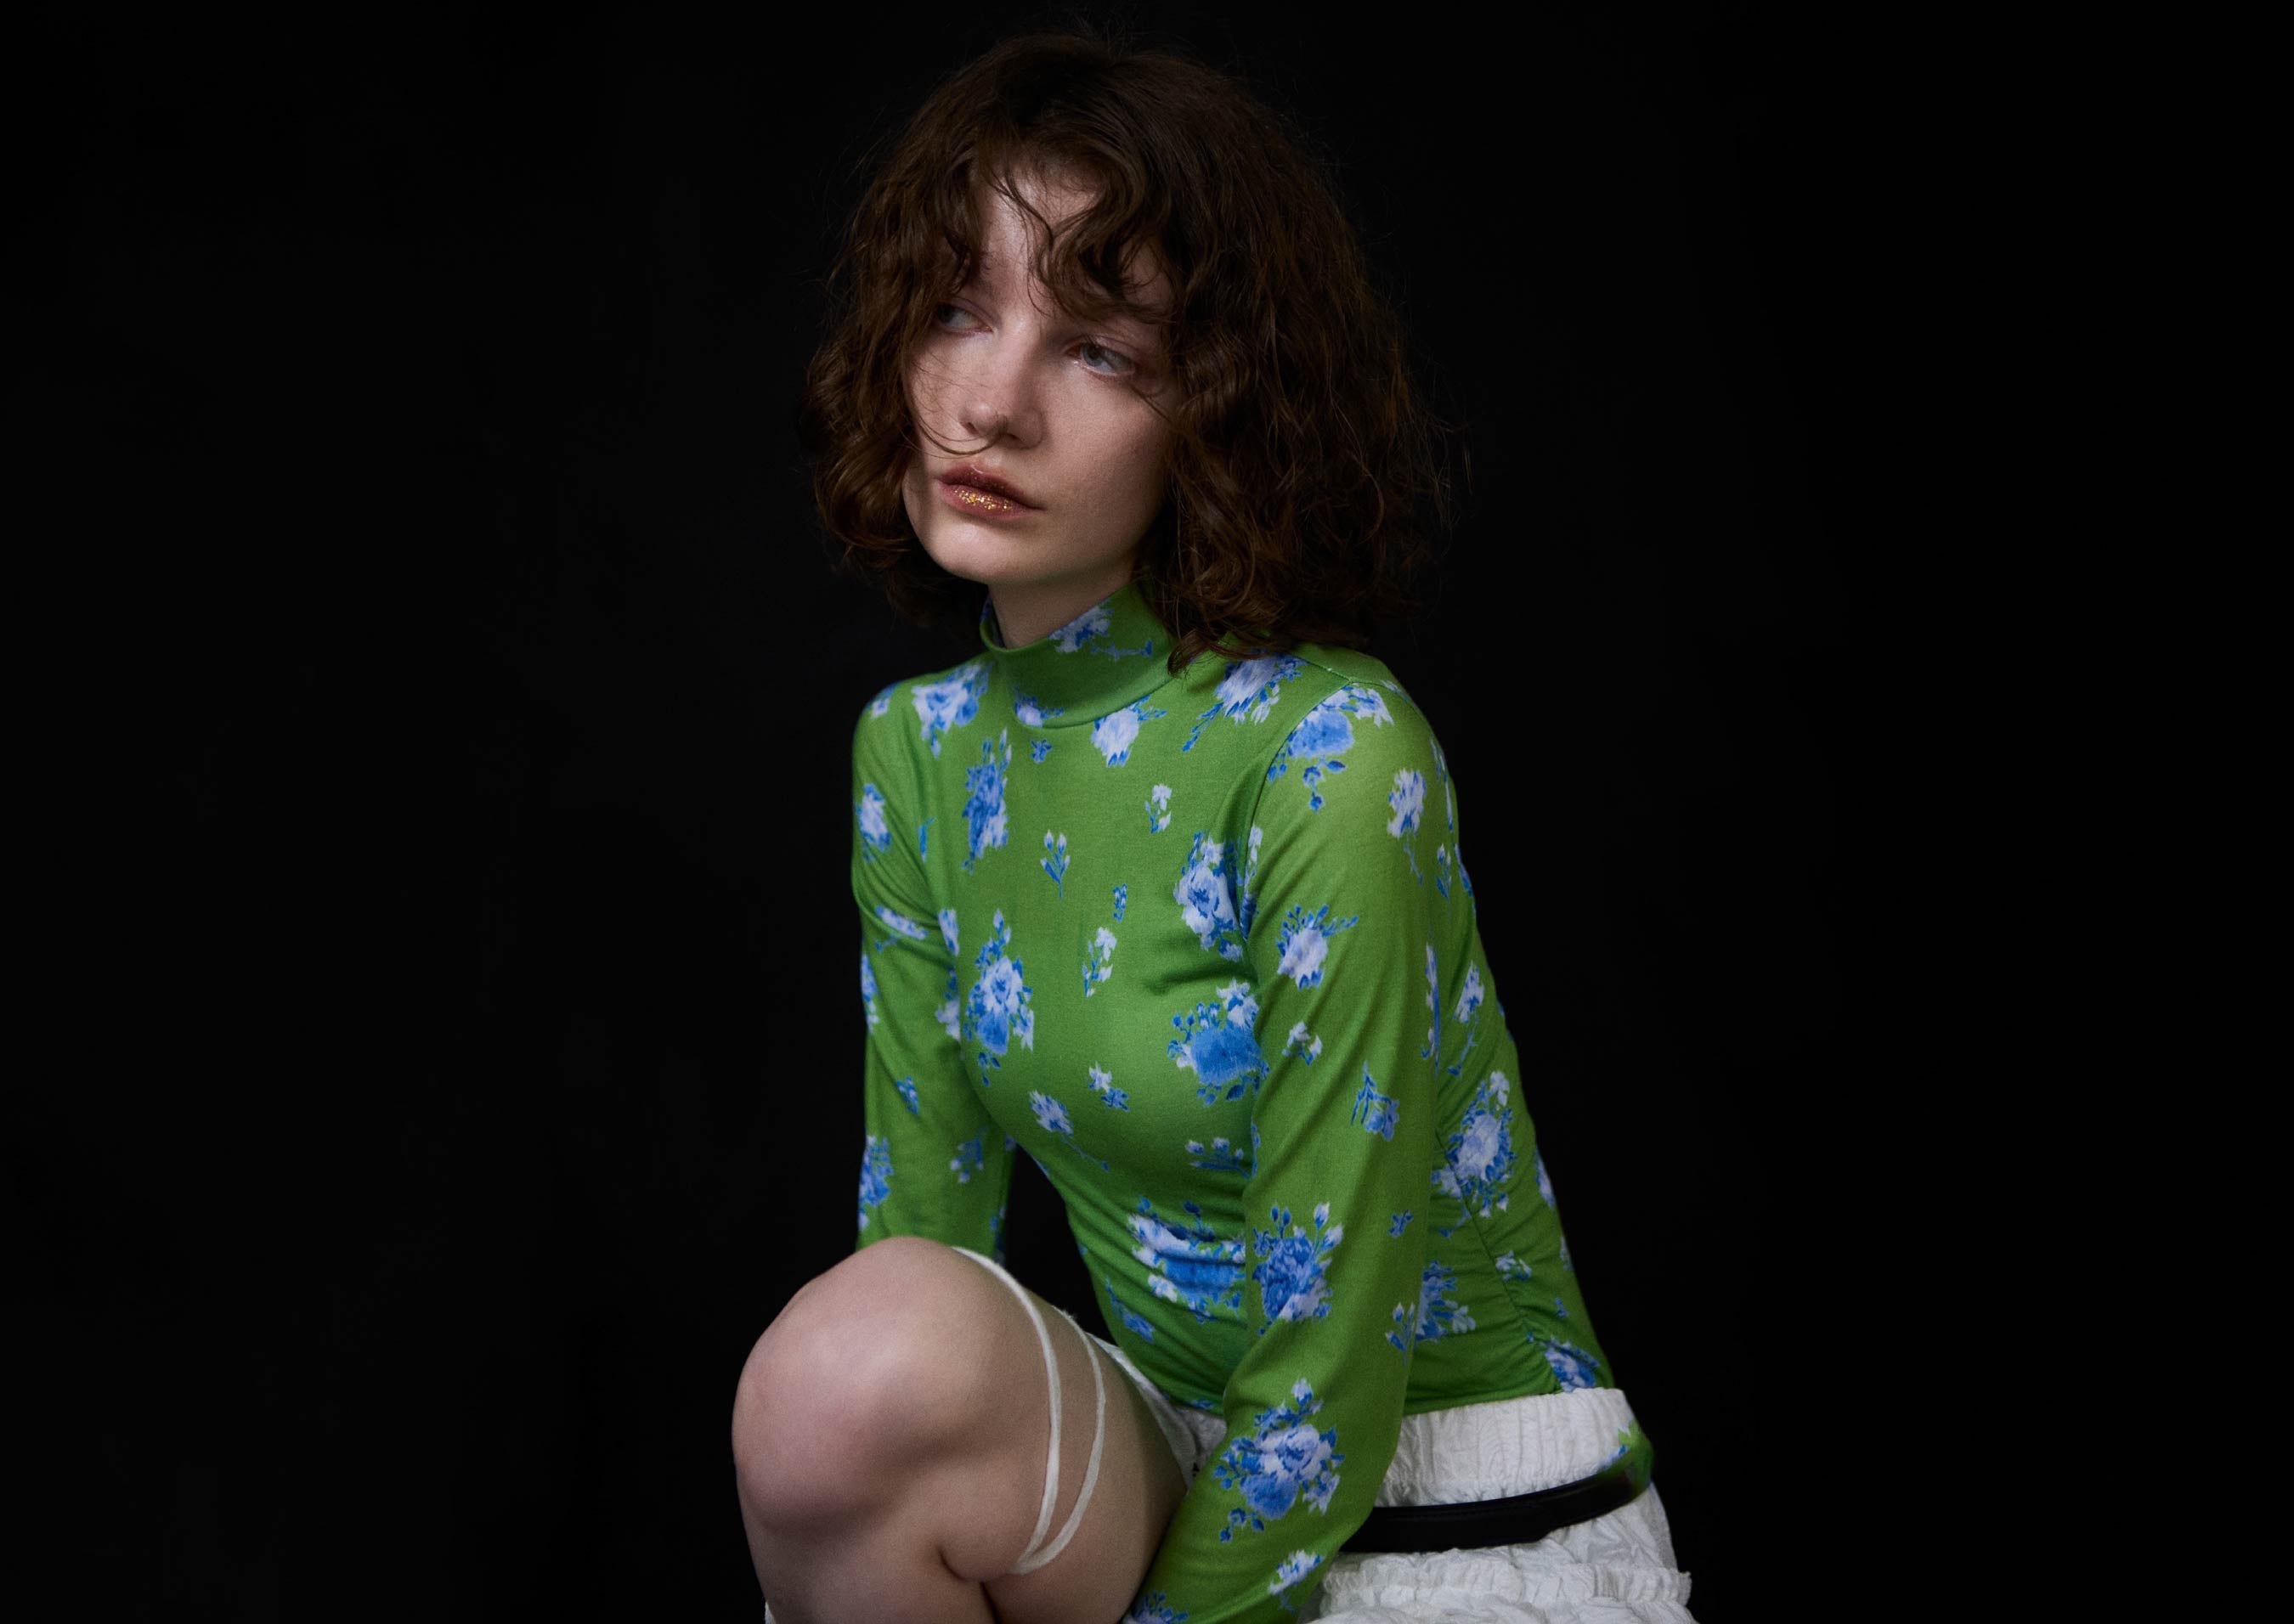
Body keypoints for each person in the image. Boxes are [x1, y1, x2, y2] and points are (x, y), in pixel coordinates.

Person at [732, 28, 1696, 1624]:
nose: (990, 402)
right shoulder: (919, 754)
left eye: (1101, 350)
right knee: (848, 1378)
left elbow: (1330, 1386)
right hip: (1176, 1466)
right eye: (956, 307)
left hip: (1457, 1502)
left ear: (1220, 415)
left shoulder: (1329, 750)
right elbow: (918, 1264)